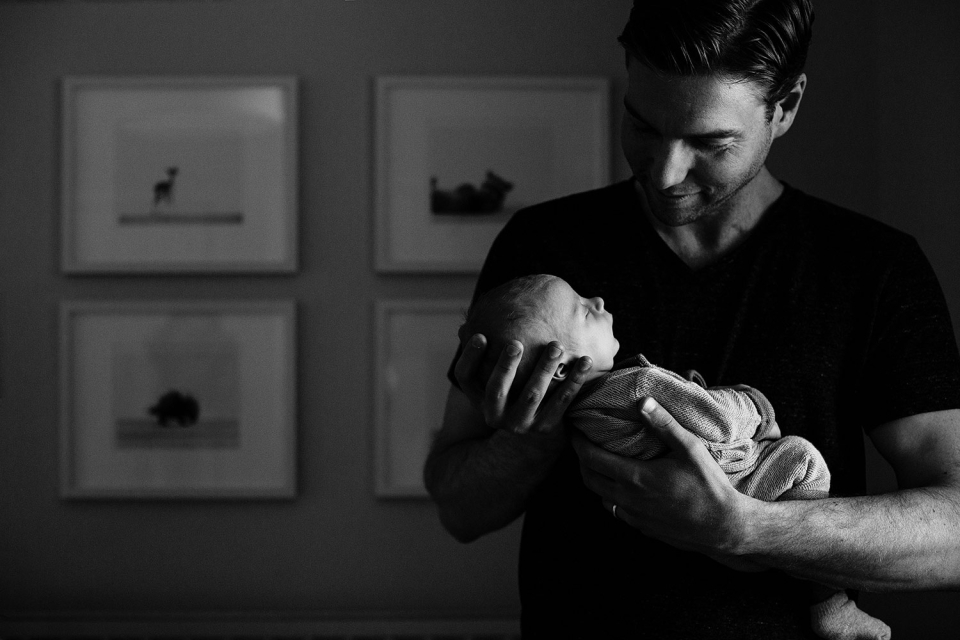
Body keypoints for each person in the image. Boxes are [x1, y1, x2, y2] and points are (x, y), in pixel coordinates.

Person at [424, 1, 960, 637]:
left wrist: (744, 528)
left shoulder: (872, 268)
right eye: (643, 126)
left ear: (785, 107)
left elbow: (954, 531)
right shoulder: (540, 253)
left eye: (710, 143)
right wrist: (533, 435)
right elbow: (459, 510)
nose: (665, 173)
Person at [457, 272, 891, 640]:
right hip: (738, 483)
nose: (598, 300)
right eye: (583, 310)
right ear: (562, 368)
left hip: (701, 529)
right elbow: (718, 424)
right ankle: (830, 604)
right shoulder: (634, 385)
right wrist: (757, 408)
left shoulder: (581, 417)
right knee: (802, 459)